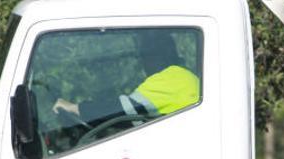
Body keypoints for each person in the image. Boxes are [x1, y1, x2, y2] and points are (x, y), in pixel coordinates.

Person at [53, 30, 199, 124]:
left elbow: (121, 111)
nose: (143, 63)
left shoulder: (171, 79)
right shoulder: (185, 77)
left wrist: (75, 108)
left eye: (144, 55)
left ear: (158, 55)